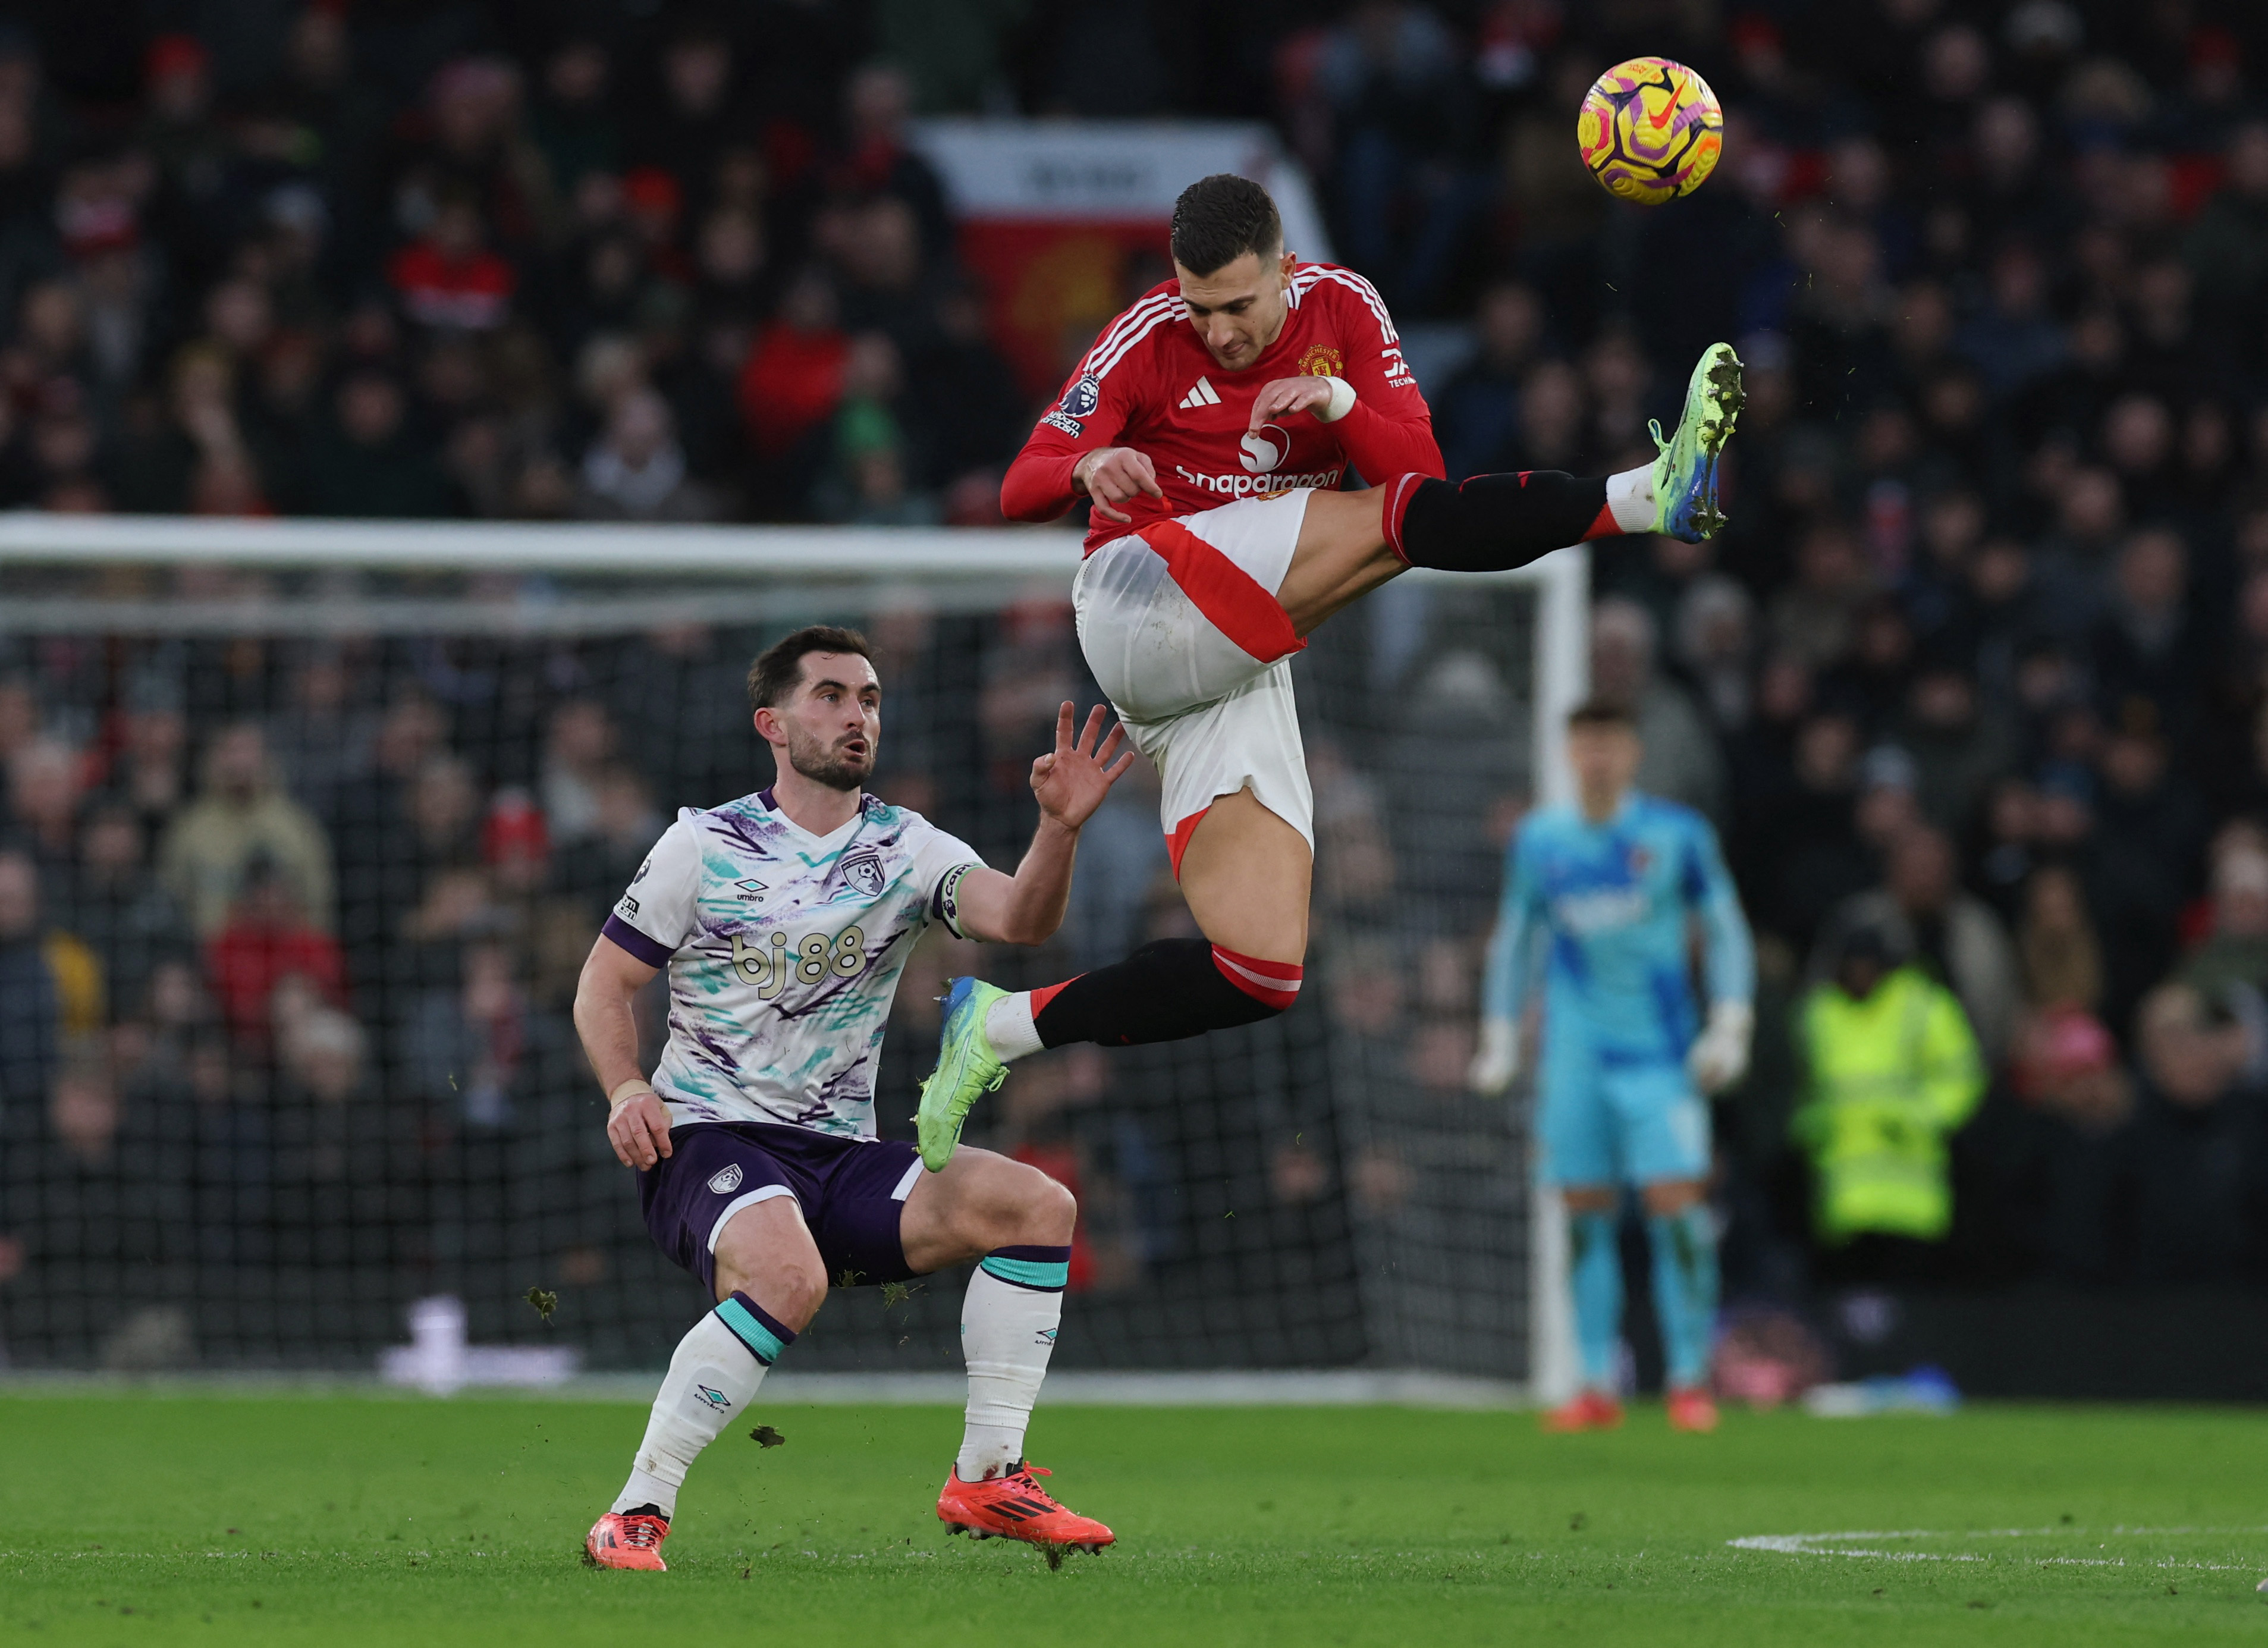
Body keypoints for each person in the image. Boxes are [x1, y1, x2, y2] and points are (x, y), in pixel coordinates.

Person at [919, 172, 1745, 1168]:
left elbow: (1416, 464)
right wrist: (1088, 466)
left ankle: (997, 1028)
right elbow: (1018, 487)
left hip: (1223, 670)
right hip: (1137, 598)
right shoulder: (1144, 337)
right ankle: (1649, 495)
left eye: (1238, 305)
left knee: (1259, 968)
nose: (1219, 331)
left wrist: (1341, 399)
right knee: (1395, 528)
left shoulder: (1344, 308)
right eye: (1201, 308)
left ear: (1283, 271)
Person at [574, 626, 1134, 1572]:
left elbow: (1019, 920)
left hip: (839, 1155)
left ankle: (988, 1474)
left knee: (1039, 1206)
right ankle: (636, 1508)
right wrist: (628, 1086)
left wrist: (1058, 828)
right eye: (831, 695)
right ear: (773, 721)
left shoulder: (904, 844)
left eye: (868, 698)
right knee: (789, 1277)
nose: (855, 715)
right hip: (710, 1139)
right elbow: (602, 986)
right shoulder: (702, 843)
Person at [1468, 699, 1756, 1434]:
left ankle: (1689, 1379)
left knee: (1678, 1214)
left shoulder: (1675, 835)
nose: (1597, 756)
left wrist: (1731, 1018)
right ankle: (1594, 1381)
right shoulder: (1540, 839)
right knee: (1583, 1219)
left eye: (1609, 743)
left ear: (1632, 751)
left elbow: (1723, 925)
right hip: (1575, 1058)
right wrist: (1499, 1032)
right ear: (1568, 751)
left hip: (1661, 1056)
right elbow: (1515, 936)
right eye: (1585, 743)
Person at [1790, 924, 1986, 1282]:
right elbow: (1800, 1092)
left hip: (1912, 1199)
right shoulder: (1817, 1014)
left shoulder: (1922, 1005)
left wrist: (1919, 1117)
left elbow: (1963, 1076)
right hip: (1841, 1202)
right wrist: (1812, 1127)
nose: (1860, 975)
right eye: (1852, 965)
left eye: (1868, 965)